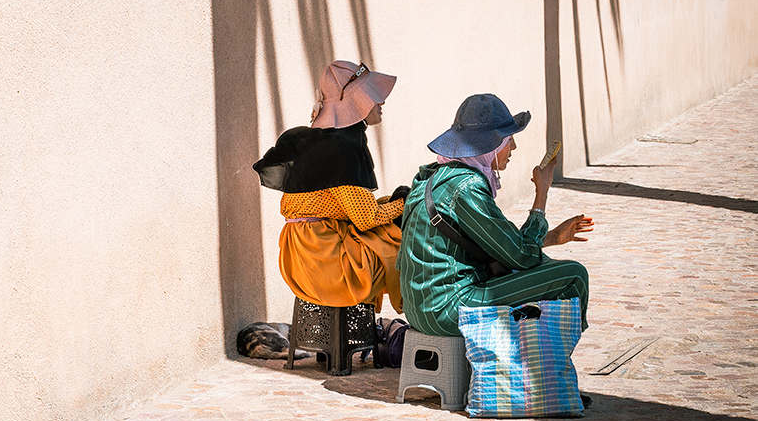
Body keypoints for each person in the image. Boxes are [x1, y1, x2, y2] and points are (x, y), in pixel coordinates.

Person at [398, 93, 593, 337]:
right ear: (489, 146)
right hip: (447, 310)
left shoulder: (436, 177)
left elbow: (500, 246)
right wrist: (541, 192)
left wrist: (551, 237)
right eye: (508, 139)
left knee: (546, 265)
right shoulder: (466, 187)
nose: (513, 147)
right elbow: (522, 257)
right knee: (574, 276)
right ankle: (553, 360)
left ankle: (540, 350)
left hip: (422, 309)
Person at [253, 60, 405, 312]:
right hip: (326, 262)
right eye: (373, 95)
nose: (382, 102)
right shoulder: (342, 148)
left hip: (300, 259)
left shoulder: (324, 142)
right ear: (356, 103)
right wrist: (405, 203)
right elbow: (367, 219)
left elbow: (348, 207)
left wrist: (394, 203)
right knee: (404, 244)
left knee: (389, 231)